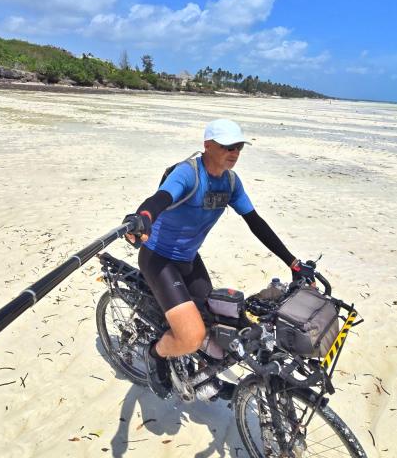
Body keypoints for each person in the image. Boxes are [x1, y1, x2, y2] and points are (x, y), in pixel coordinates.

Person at [123, 118, 306, 398]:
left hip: (189, 259)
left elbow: (254, 221)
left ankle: (199, 375)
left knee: (219, 324)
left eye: (239, 147)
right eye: (227, 146)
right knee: (191, 336)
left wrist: (292, 262)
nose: (234, 153)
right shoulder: (189, 174)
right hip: (159, 259)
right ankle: (155, 354)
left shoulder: (231, 182)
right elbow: (159, 199)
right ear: (207, 145)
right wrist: (143, 218)